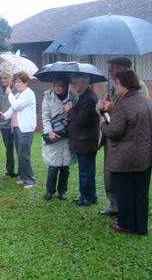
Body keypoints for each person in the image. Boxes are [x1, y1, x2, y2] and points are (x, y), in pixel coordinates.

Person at [100, 70, 152, 235]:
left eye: (116, 83)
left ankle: (126, 224)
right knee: (141, 192)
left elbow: (114, 132)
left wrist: (103, 122)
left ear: (124, 84)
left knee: (125, 191)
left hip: (125, 157)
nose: (115, 86)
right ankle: (141, 226)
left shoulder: (123, 104)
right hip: (145, 156)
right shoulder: (146, 101)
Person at [0, 72, 37, 189]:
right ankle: (24, 177)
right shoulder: (19, 94)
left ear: (26, 82)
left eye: (19, 82)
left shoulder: (28, 93)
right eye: (16, 82)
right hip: (16, 128)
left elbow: (16, 106)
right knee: (20, 154)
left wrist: (9, 94)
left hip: (25, 129)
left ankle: (30, 180)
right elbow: (12, 110)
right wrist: (3, 115)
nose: (17, 84)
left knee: (24, 155)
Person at [65, 73, 100, 206]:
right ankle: (86, 195)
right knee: (85, 170)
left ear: (85, 82)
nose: (73, 86)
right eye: (72, 83)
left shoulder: (90, 98)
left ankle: (87, 197)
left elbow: (81, 120)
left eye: (75, 83)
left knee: (86, 172)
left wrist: (70, 110)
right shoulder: (83, 96)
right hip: (82, 140)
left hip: (86, 141)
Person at [42, 75, 77, 200]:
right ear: (53, 85)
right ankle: (50, 190)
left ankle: (62, 190)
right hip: (53, 134)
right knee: (53, 165)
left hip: (66, 135)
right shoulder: (47, 97)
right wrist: (49, 132)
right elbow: (45, 117)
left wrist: (70, 119)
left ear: (67, 86)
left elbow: (76, 116)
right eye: (56, 85)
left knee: (64, 165)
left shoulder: (72, 97)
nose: (59, 88)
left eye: (62, 85)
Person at [0, 71, 18, 178]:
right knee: (9, 149)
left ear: (11, 78)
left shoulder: (18, 90)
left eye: (6, 78)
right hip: (5, 125)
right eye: (2, 78)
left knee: (20, 149)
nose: (3, 80)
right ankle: (10, 171)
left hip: (17, 125)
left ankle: (22, 172)